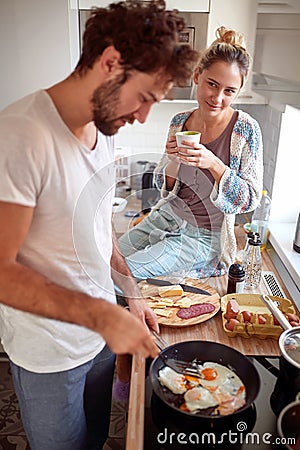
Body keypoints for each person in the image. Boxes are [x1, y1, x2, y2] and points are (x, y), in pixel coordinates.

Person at [0, 2, 199, 449]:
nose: (144, 116)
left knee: (93, 440)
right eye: (145, 97)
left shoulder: (105, 132)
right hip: (49, 355)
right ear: (110, 63)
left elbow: (99, 226)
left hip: (99, 344)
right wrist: (103, 315)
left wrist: (129, 294)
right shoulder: (20, 135)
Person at [119, 26, 264, 280]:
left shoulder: (246, 129)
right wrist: (173, 161)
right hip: (166, 217)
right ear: (197, 76)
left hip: (204, 238)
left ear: (237, 92)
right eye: (212, 84)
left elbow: (250, 199)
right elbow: (163, 186)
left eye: (229, 91)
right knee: (105, 260)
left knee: (121, 275)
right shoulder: (179, 122)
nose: (217, 97)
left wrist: (214, 164)